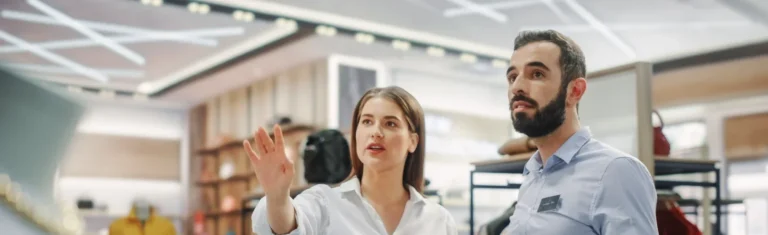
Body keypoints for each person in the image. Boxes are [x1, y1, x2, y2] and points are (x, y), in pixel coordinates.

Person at [502, 30, 658, 235]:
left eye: (537, 74)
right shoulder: (533, 176)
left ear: (575, 91)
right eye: (513, 77)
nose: (517, 87)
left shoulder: (616, 171)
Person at [245, 86, 457, 235]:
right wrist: (276, 196)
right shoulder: (324, 203)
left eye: (390, 124)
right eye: (366, 121)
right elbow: (285, 227)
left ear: (412, 141)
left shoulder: (438, 220)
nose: (376, 132)